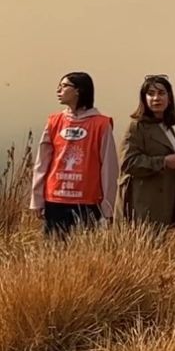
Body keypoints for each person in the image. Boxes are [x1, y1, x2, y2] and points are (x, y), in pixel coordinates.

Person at [30, 72, 119, 238]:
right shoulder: (54, 121)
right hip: (55, 198)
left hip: (88, 201)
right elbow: (41, 163)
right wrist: (37, 199)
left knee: (82, 252)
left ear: (78, 90)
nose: (58, 90)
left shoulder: (101, 124)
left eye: (64, 86)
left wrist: (108, 207)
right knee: (52, 252)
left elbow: (109, 167)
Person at [118, 75, 175, 229]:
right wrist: (163, 162)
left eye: (161, 93)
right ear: (144, 99)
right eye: (151, 94)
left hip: (167, 201)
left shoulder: (167, 127)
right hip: (143, 204)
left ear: (169, 98)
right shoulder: (137, 127)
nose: (156, 98)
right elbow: (127, 162)